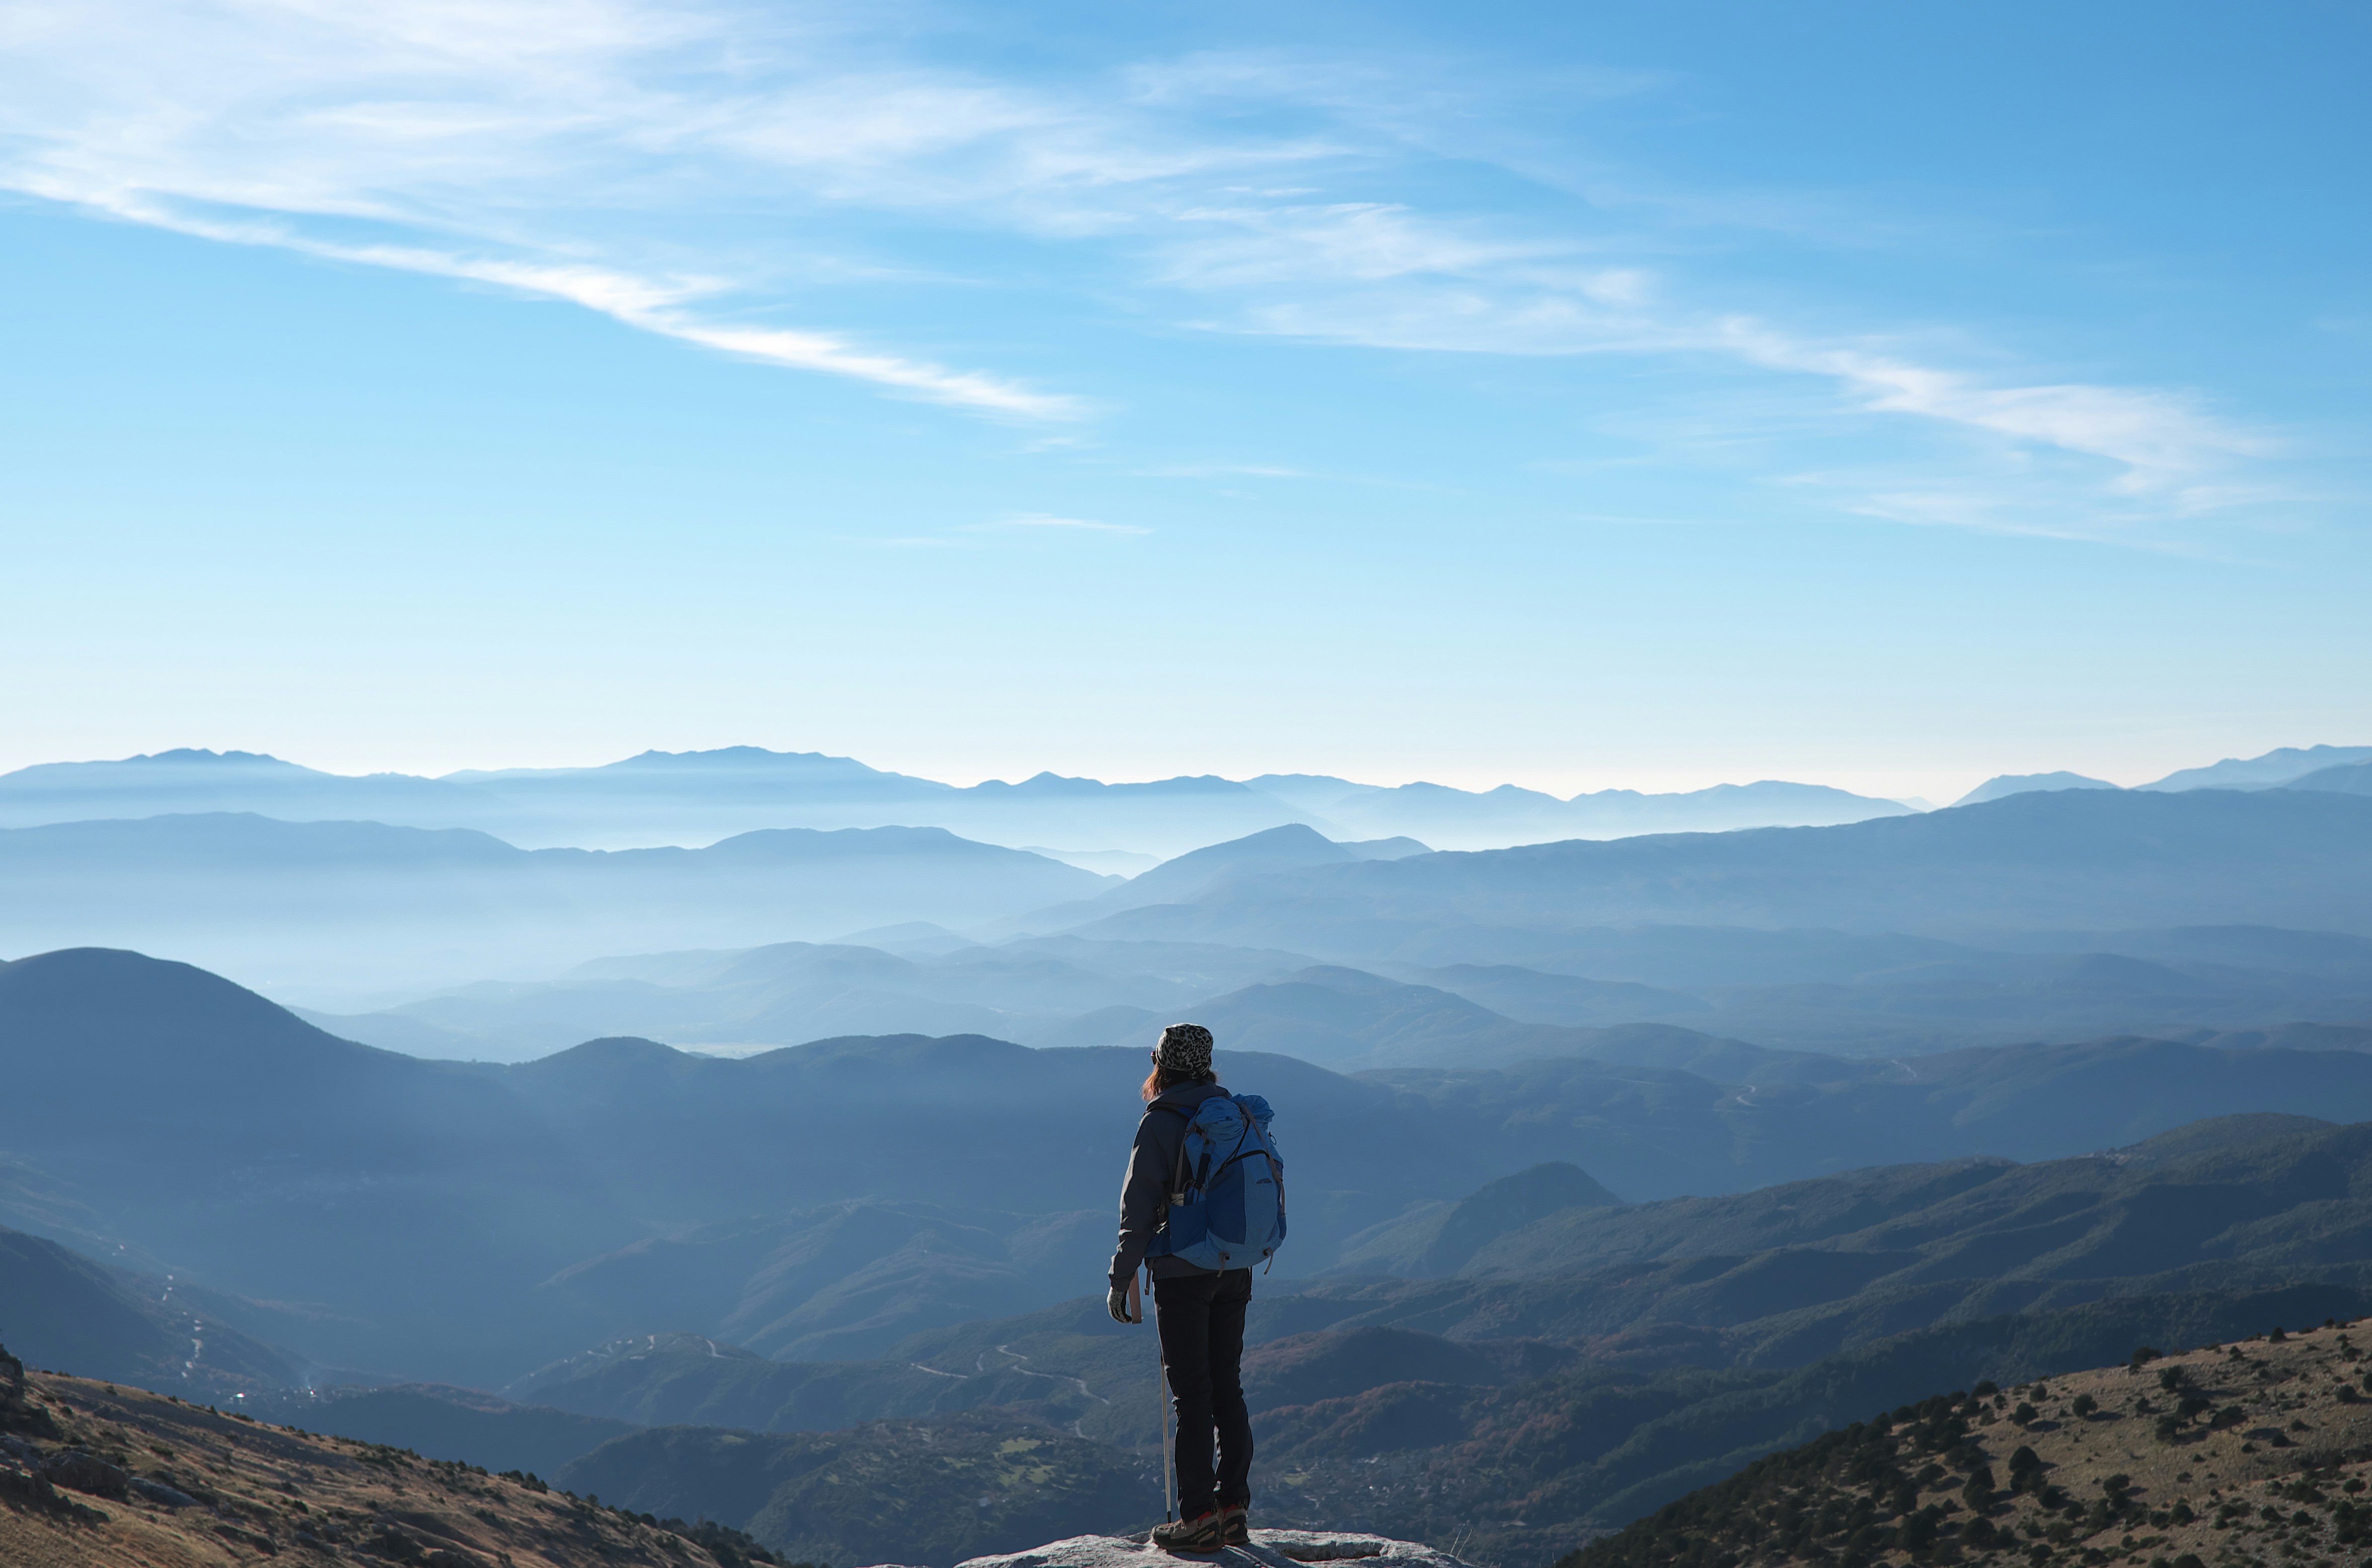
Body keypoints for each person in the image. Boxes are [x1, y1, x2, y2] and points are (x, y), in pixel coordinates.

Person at [1109, 1022, 1257, 1554]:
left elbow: (1137, 1209)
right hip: (1233, 1270)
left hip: (1180, 1276)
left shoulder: (1161, 1122)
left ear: (1160, 1064)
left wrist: (1120, 1277)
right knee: (1227, 1388)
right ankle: (1233, 1507)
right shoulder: (1233, 1115)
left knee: (1191, 1396)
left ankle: (1196, 1516)